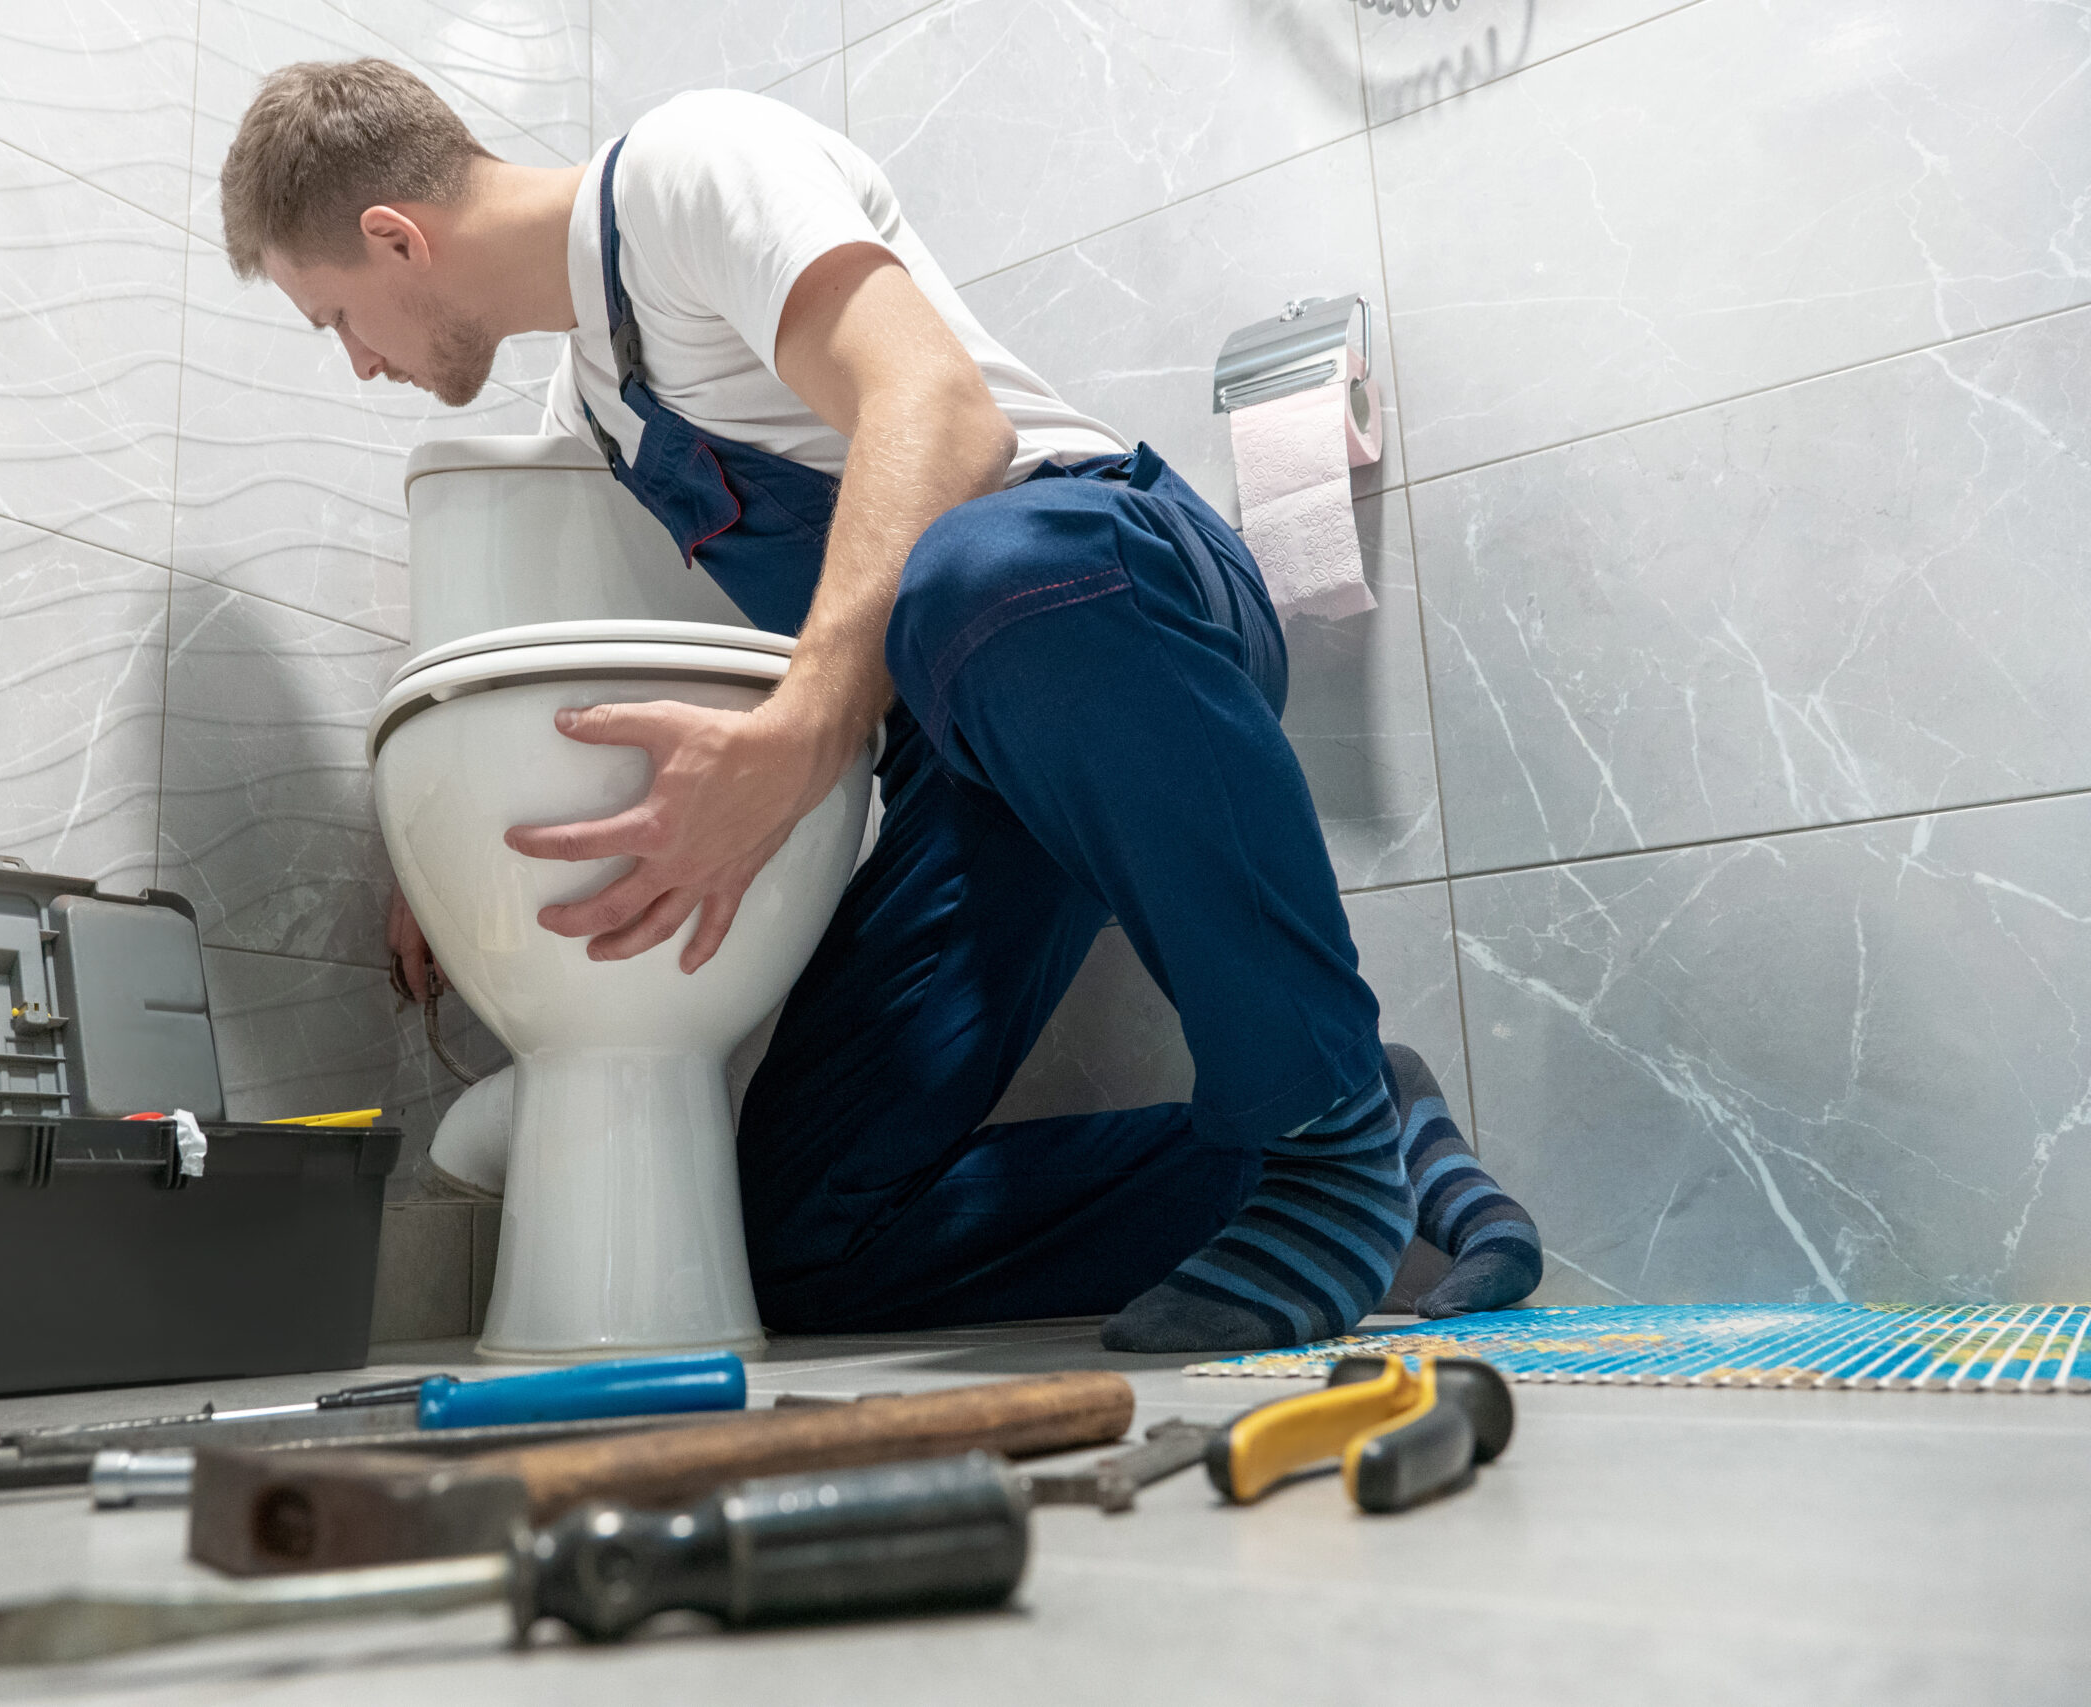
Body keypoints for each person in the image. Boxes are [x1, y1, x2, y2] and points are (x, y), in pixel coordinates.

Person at [217, 61, 1544, 1351]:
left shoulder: (694, 170)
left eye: (335, 319)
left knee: (978, 573)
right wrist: (447, 840)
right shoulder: (600, 407)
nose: (358, 364)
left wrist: (802, 733)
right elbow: (532, 621)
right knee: (804, 1238)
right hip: (963, 747)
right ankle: (1367, 1143)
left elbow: (941, 414)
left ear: (395, 240)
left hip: (1109, 595)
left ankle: (1321, 1135)